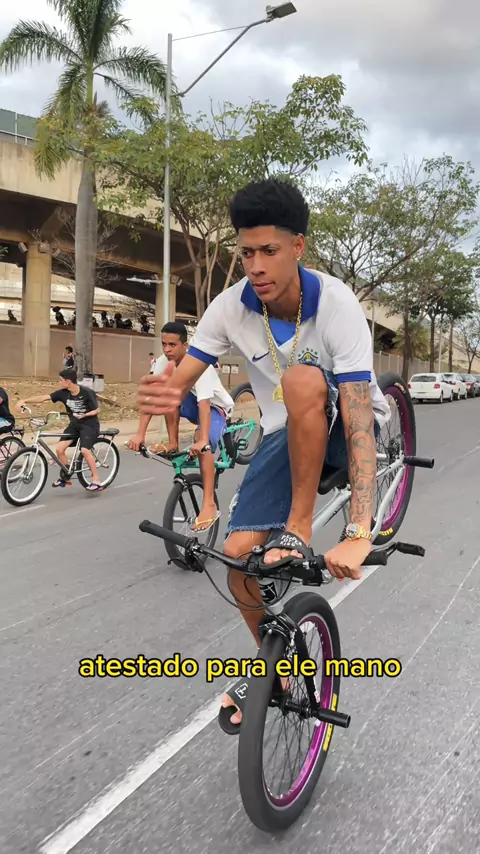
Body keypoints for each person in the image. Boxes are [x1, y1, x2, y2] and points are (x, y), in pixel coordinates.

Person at [136, 178, 391, 727]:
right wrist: (168, 391)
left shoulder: (337, 305)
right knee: (238, 560)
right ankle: (276, 665)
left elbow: (357, 420)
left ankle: (299, 527)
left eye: (269, 251)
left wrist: (359, 529)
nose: (255, 265)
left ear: (298, 247)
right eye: (246, 252)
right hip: (284, 433)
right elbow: (184, 376)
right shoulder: (230, 307)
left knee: (301, 379)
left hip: (344, 425)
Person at [128, 321, 234, 532]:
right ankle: (173, 443)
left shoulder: (200, 365)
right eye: (164, 344)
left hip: (215, 408)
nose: (167, 349)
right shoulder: (162, 363)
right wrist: (140, 434)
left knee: (201, 444)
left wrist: (202, 440)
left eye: (172, 345)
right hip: (191, 404)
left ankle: (209, 505)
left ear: (185, 345)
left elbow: (204, 405)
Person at [17, 369, 103, 491]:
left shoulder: (87, 392)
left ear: (68, 381)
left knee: (84, 450)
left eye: (60, 380)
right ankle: (66, 476)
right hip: (74, 425)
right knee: (59, 449)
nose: (59, 382)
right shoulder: (63, 393)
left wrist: (85, 415)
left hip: (89, 425)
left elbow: (97, 410)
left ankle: (96, 480)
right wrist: (24, 401)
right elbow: (44, 397)